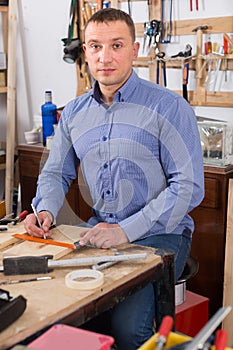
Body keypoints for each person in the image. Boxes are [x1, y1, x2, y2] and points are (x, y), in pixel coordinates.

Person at [24, 8, 204, 349]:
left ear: (135, 51)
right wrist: (45, 209)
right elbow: (54, 172)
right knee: (59, 314)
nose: (105, 57)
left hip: (161, 236)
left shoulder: (168, 107)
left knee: (127, 327)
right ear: (86, 52)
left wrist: (125, 230)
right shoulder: (75, 112)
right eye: (95, 46)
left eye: (116, 45)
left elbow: (189, 188)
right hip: (99, 233)